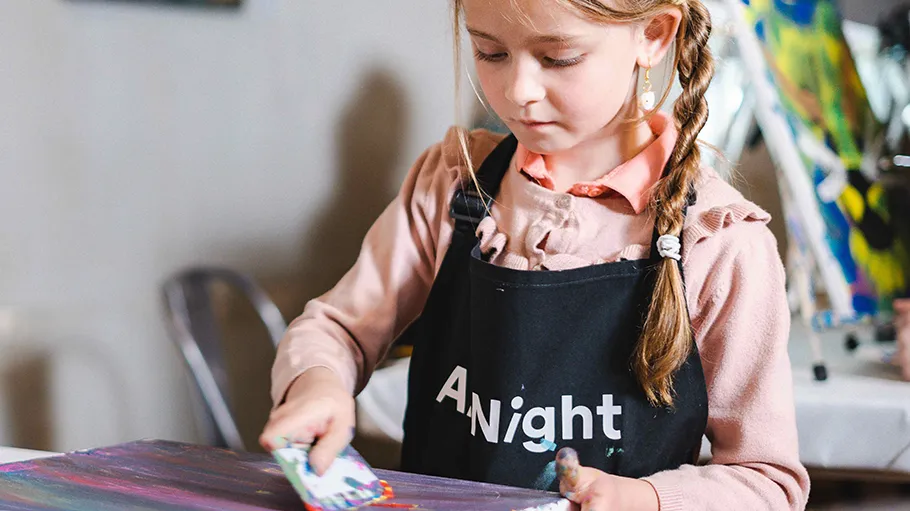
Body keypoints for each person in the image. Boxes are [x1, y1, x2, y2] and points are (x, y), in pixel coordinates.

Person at [261, 0, 811, 509]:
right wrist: (318, 384)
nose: (518, 89)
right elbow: (337, 329)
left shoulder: (720, 240)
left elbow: (766, 480)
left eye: (557, 57)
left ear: (654, 34)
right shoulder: (454, 183)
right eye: (490, 52)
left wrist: (647, 500)